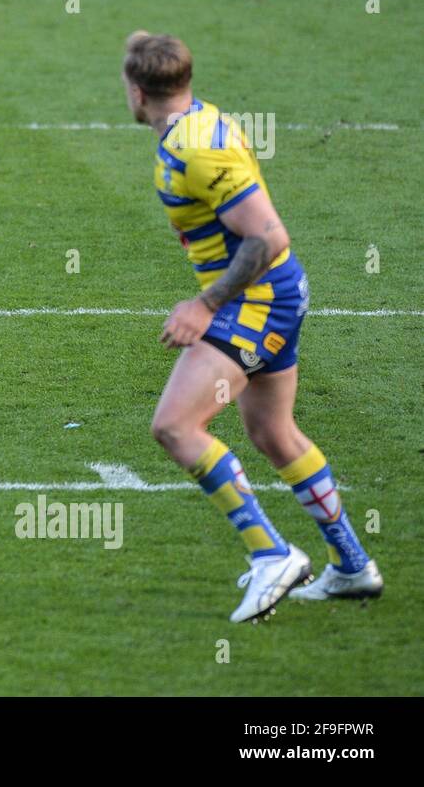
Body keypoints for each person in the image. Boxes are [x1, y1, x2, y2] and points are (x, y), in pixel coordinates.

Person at [123, 30, 382, 622]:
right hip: (273, 295)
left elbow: (267, 236)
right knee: (272, 431)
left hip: (255, 302)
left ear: (136, 92)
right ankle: (352, 565)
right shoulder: (198, 123)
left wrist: (204, 305)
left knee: (175, 426)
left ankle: (272, 553)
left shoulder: (195, 148)